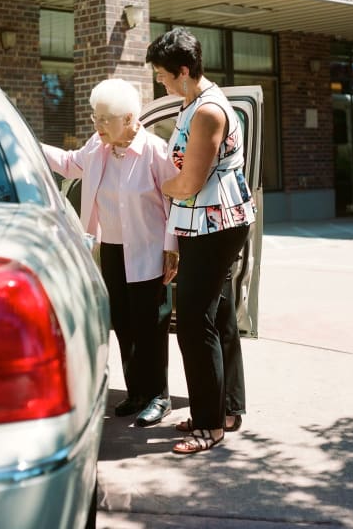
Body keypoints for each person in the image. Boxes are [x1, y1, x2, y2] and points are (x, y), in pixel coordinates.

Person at [41, 77, 180, 427]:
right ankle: (135, 393)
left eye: (105, 119)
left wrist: (172, 248)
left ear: (131, 119)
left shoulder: (155, 151)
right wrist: (27, 143)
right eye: (95, 117)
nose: (98, 125)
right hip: (114, 251)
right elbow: (69, 163)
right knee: (123, 325)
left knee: (151, 328)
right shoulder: (97, 147)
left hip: (149, 253)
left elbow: (176, 201)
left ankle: (158, 396)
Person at [145, 27, 255, 453]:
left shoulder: (209, 110)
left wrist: (157, 185)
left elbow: (190, 182)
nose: (161, 81)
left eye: (164, 74)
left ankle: (209, 425)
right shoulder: (191, 101)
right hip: (203, 222)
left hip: (217, 223)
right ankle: (226, 408)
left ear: (185, 71)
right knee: (219, 312)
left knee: (193, 320)